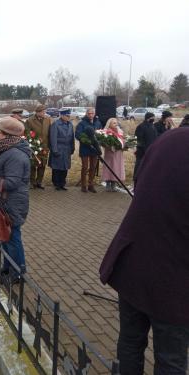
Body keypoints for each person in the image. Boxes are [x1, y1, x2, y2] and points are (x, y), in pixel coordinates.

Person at [99, 127, 189, 375]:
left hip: (133, 263)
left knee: (130, 340)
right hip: (174, 279)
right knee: (171, 357)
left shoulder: (168, 139)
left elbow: (139, 182)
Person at [0, 117, 30, 280]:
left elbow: (12, 182)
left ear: (8, 135)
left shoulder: (15, 155)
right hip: (3, 201)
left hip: (11, 202)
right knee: (5, 237)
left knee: (13, 238)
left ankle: (17, 273)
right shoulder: (6, 150)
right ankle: (7, 267)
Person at [75, 108, 102, 193]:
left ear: (94, 114)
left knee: (93, 167)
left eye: (92, 113)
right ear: (86, 114)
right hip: (85, 148)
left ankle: (91, 184)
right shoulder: (81, 123)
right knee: (85, 167)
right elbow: (78, 135)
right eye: (89, 113)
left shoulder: (98, 123)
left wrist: (98, 141)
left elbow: (100, 133)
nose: (91, 115)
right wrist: (86, 141)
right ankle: (83, 185)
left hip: (94, 149)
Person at [25, 104, 52, 189]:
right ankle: (32, 182)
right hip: (34, 147)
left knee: (42, 165)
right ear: (38, 112)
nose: (45, 113)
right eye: (43, 112)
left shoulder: (47, 120)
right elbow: (27, 133)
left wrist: (49, 146)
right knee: (33, 165)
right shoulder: (29, 121)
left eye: (45, 111)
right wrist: (32, 143)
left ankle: (39, 182)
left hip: (44, 147)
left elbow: (50, 133)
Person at [49, 109, 75, 190]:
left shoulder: (70, 124)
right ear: (62, 116)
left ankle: (62, 183)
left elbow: (72, 138)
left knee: (65, 167)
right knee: (57, 167)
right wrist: (54, 150)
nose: (68, 117)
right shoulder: (56, 124)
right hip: (58, 148)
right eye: (67, 116)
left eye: (69, 116)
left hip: (67, 149)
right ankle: (56, 183)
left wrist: (72, 148)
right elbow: (53, 138)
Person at [101, 118, 125, 192]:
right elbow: (103, 142)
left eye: (116, 123)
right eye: (114, 123)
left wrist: (123, 145)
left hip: (118, 153)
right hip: (109, 153)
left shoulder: (120, 131)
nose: (116, 124)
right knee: (109, 167)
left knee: (116, 167)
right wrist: (109, 145)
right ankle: (108, 184)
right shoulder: (106, 131)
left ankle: (114, 184)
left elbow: (123, 140)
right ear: (109, 124)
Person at [133, 112, 157, 184]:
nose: (154, 119)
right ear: (148, 118)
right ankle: (136, 180)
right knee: (139, 166)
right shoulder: (141, 126)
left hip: (150, 150)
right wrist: (144, 149)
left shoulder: (152, 126)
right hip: (142, 151)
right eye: (153, 118)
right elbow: (139, 139)